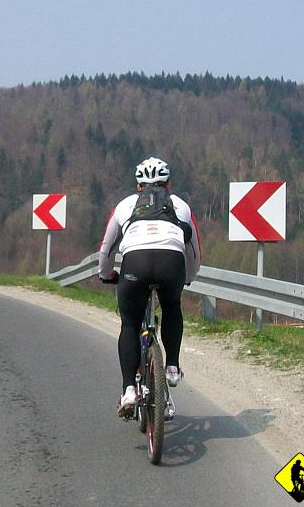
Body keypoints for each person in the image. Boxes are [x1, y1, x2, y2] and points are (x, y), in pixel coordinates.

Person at [97, 157, 201, 417]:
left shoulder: (125, 205)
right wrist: (187, 277)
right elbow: (194, 252)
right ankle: (173, 367)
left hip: (135, 264)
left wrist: (105, 273)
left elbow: (107, 247)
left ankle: (129, 390)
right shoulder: (181, 206)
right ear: (169, 183)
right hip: (171, 264)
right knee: (171, 305)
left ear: (138, 186)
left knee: (130, 324)